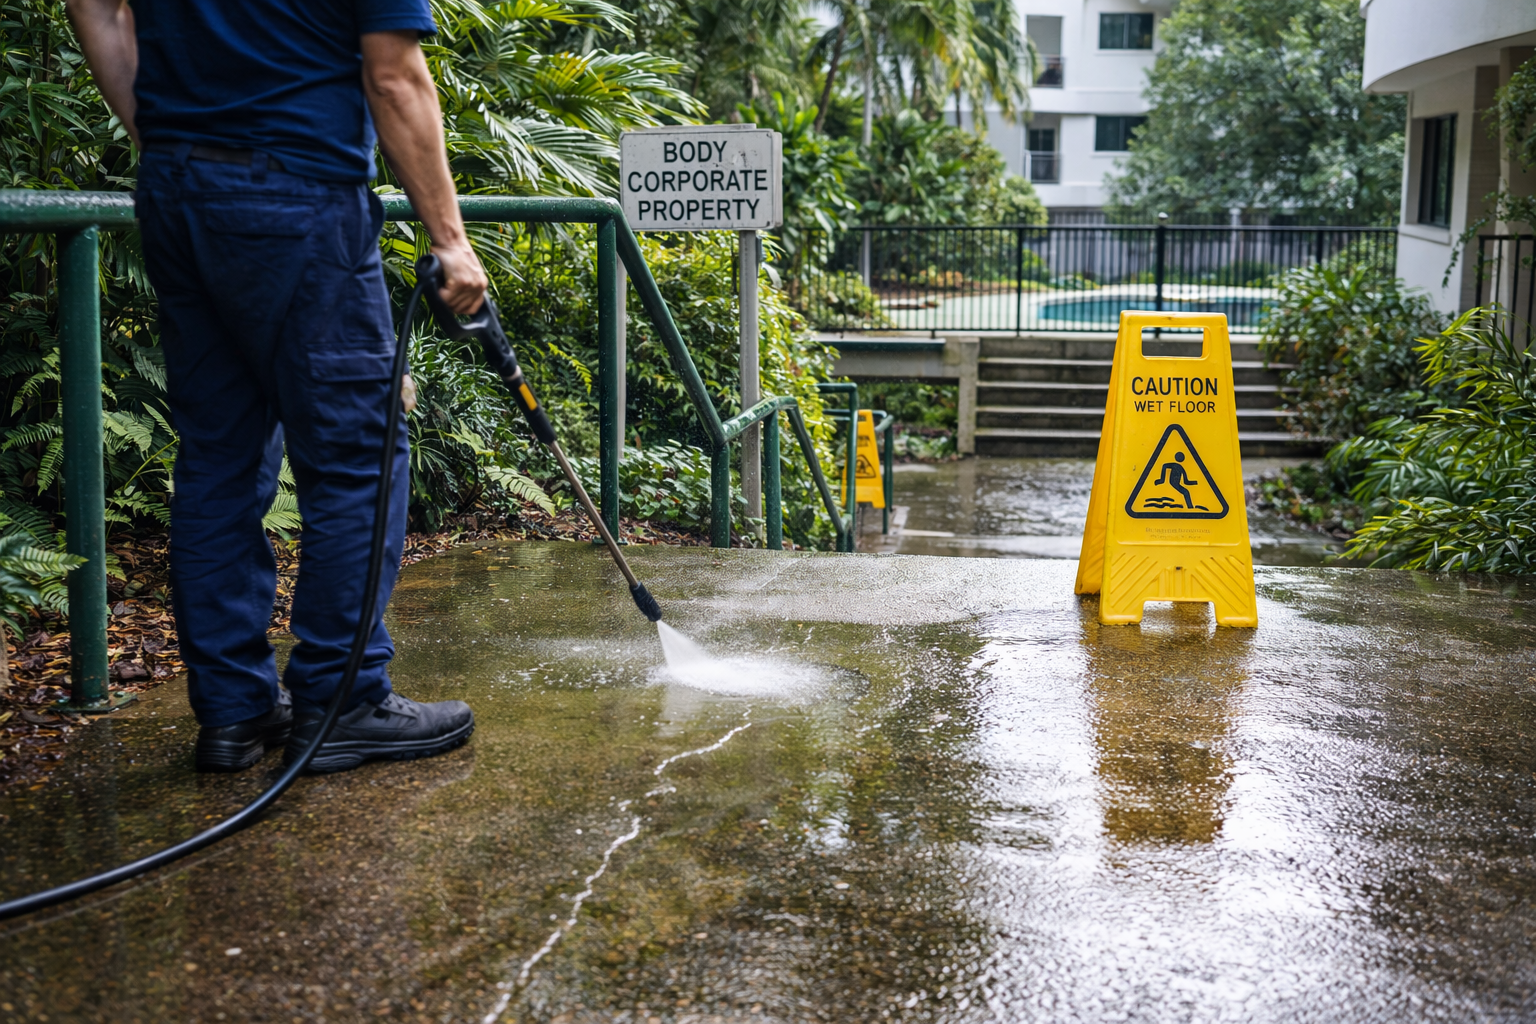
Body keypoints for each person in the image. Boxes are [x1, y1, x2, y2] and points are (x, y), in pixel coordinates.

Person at [66, 0, 486, 773]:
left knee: (219, 455)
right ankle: (343, 700)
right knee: (360, 455)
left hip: (175, 192)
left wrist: (166, 141)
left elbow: (91, 4)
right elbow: (394, 78)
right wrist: (451, 242)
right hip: (296, 195)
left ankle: (234, 711)